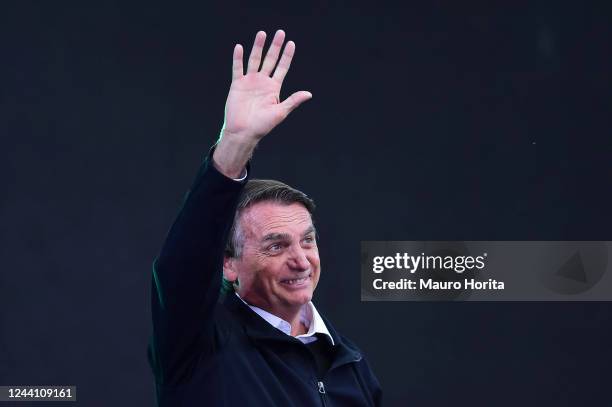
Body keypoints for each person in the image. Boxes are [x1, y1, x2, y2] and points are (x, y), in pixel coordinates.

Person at [148, 29, 382, 406]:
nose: (301, 260)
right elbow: (182, 267)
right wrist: (235, 145)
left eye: (307, 240)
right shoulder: (200, 344)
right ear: (227, 263)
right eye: (276, 245)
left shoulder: (349, 363)